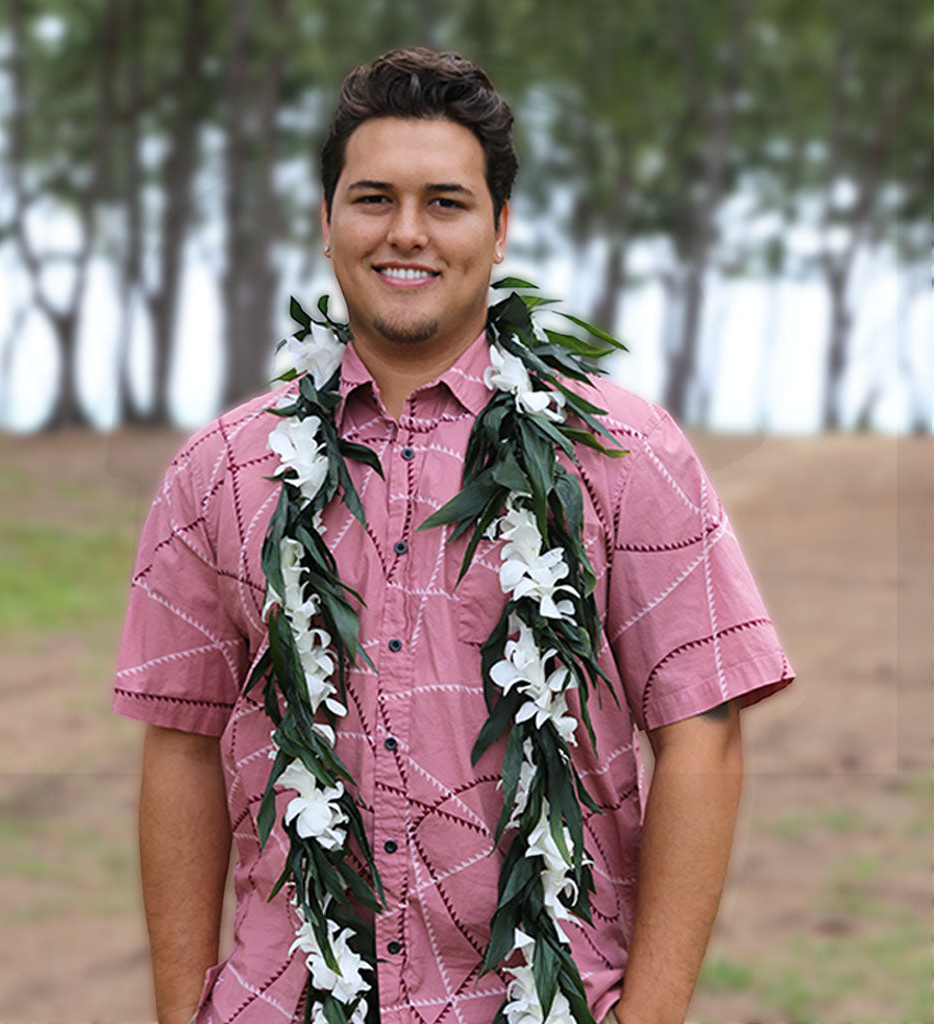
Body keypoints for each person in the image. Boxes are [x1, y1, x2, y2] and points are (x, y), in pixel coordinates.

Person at [114, 48, 793, 1024]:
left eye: (445, 201)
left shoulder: (617, 450)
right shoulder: (220, 469)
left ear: (500, 226)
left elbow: (701, 736)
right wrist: (184, 1010)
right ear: (325, 221)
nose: (405, 232)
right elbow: (179, 742)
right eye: (372, 198)